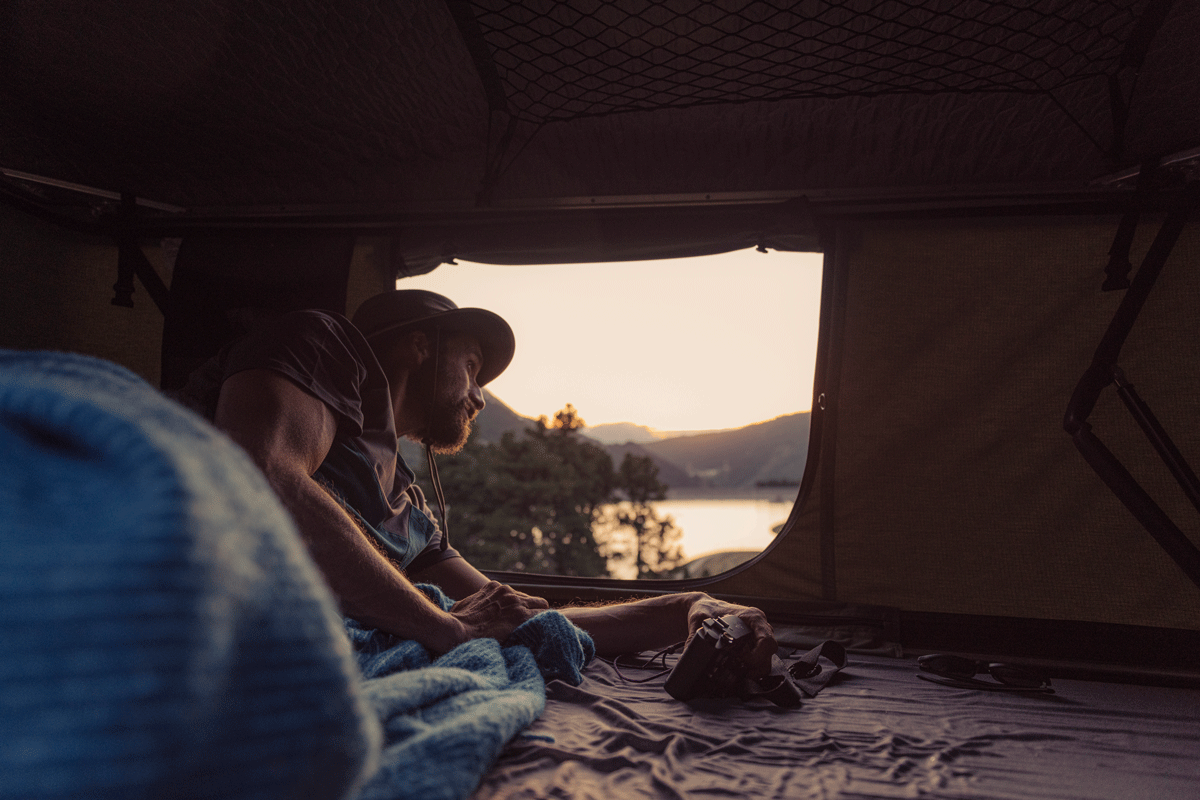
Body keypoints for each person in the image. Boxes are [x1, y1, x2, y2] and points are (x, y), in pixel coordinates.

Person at [180, 289, 776, 671]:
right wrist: (439, 626)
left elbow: (516, 613)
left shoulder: (408, 511)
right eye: (471, 367)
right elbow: (259, 478)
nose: (480, 396)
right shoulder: (325, 346)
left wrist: (688, 605)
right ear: (419, 346)